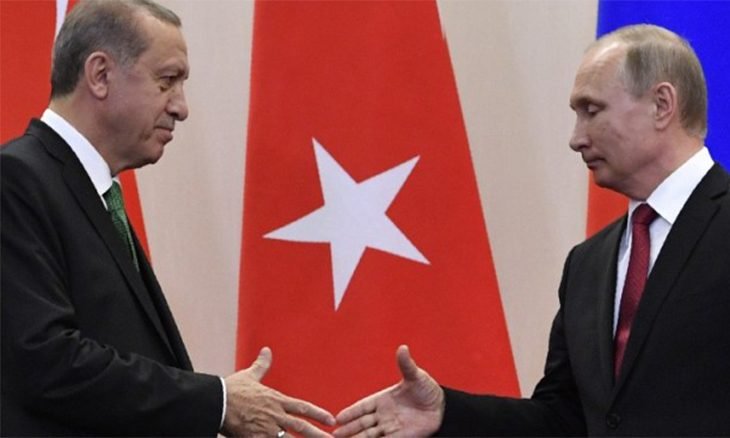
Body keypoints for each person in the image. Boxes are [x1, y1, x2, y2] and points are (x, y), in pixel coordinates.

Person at [333, 23, 730, 436]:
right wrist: (447, 413)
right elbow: (561, 421)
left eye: (592, 111)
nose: (576, 138)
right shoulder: (587, 264)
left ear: (661, 105)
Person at [0, 1, 334, 436]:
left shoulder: (94, 193)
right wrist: (217, 403)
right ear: (100, 75)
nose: (181, 107)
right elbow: (46, 361)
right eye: (167, 81)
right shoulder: (16, 179)